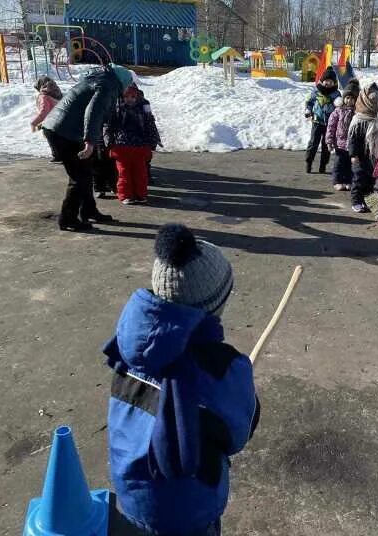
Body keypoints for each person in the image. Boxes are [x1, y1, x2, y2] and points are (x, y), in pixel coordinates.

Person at [103, 223, 259, 536]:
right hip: (190, 508)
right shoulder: (222, 368)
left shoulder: (129, 342)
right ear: (215, 304)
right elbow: (237, 436)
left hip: (132, 492)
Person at [41, 63, 134, 231]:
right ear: (122, 82)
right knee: (79, 177)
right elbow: (94, 111)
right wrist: (90, 142)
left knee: (85, 173)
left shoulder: (100, 78)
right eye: (126, 86)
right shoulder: (108, 85)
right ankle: (68, 219)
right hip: (63, 132)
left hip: (62, 128)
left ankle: (89, 211)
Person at [105, 83, 161, 205]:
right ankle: (126, 195)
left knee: (140, 173)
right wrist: (108, 141)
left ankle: (140, 194)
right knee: (124, 173)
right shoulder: (117, 109)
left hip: (139, 146)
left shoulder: (144, 110)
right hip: (122, 146)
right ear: (122, 97)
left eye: (132, 96)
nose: (129, 99)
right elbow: (109, 126)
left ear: (137, 97)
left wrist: (153, 141)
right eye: (126, 96)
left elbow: (150, 125)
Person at [348, 82, 378, 213]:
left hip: (374, 155)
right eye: (373, 101)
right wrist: (353, 155)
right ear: (365, 100)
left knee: (371, 178)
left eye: (377, 101)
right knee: (359, 178)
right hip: (360, 155)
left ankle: (370, 200)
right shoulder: (359, 119)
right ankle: (356, 201)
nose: (375, 103)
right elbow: (353, 139)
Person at [304, 67, 341, 174]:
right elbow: (309, 102)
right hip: (317, 122)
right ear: (322, 80)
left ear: (334, 82)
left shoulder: (336, 94)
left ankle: (323, 165)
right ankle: (309, 162)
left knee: (326, 145)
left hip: (330, 124)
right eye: (326, 81)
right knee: (313, 143)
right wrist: (308, 110)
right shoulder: (316, 91)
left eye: (330, 81)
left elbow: (339, 107)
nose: (328, 83)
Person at [325, 80, 360, 191]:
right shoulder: (338, 111)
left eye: (352, 98)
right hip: (339, 144)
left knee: (350, 165)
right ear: (344, 98)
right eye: (347, 98)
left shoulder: (358, 113)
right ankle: (337, 181)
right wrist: (329, 140)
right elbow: (331, 126)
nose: (349, 101)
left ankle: (348, 181)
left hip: (352, 145)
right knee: (339, 164)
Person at [30, 76, 63, 163]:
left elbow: (44, 112)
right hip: (63, 119)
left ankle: (57, 157)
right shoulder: (57, 92)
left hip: (52, 122)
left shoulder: (43, 96)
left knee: (51, 137)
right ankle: (64, 155)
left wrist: (34, 123)